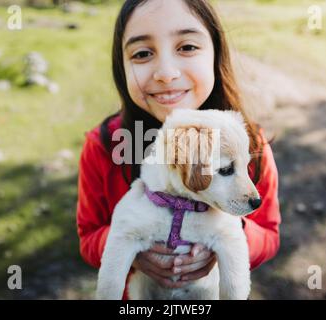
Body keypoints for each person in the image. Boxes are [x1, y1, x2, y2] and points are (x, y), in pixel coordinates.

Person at [77, 0, 281, 299]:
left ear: (216, 53)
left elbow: (270, 234)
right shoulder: (105, 146)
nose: (166, 73)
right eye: (143, 53)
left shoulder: (248, 143)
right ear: (121, 67)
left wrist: (225, 238)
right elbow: (88, 236)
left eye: (186, 47)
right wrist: (131, 244)